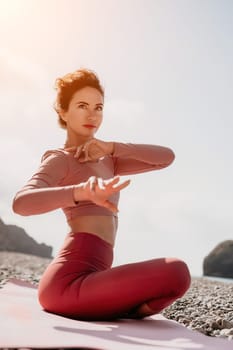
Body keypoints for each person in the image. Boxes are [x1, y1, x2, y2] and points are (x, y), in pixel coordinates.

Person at [12, 68, 191, 321]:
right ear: (63, 112)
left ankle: (117, 308)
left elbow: (166, 158)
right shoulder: (60, 159)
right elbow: (21, 203)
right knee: (176, 271)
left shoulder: (109, 160)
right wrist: (81, 192)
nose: (92, 114)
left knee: (178, 276)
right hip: (65, 283)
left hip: (97, 272)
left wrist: (113, 147)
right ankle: (118, 308)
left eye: (98, 107)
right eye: (82, 105)